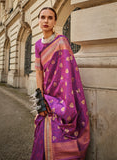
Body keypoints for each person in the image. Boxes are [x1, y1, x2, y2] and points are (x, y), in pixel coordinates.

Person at [30, 7, 90, 160]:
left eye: (50, 18)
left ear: (55, 21)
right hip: (48, 95)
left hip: (64, 95)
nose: (46, 21)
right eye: (43, 17)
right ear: (38, 20)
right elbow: (38, 72)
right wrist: (40, 98)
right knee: (42, 133)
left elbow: (69, 71)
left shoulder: (61, 41)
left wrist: (66, 99)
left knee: (61, 130)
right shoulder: (37, 45)